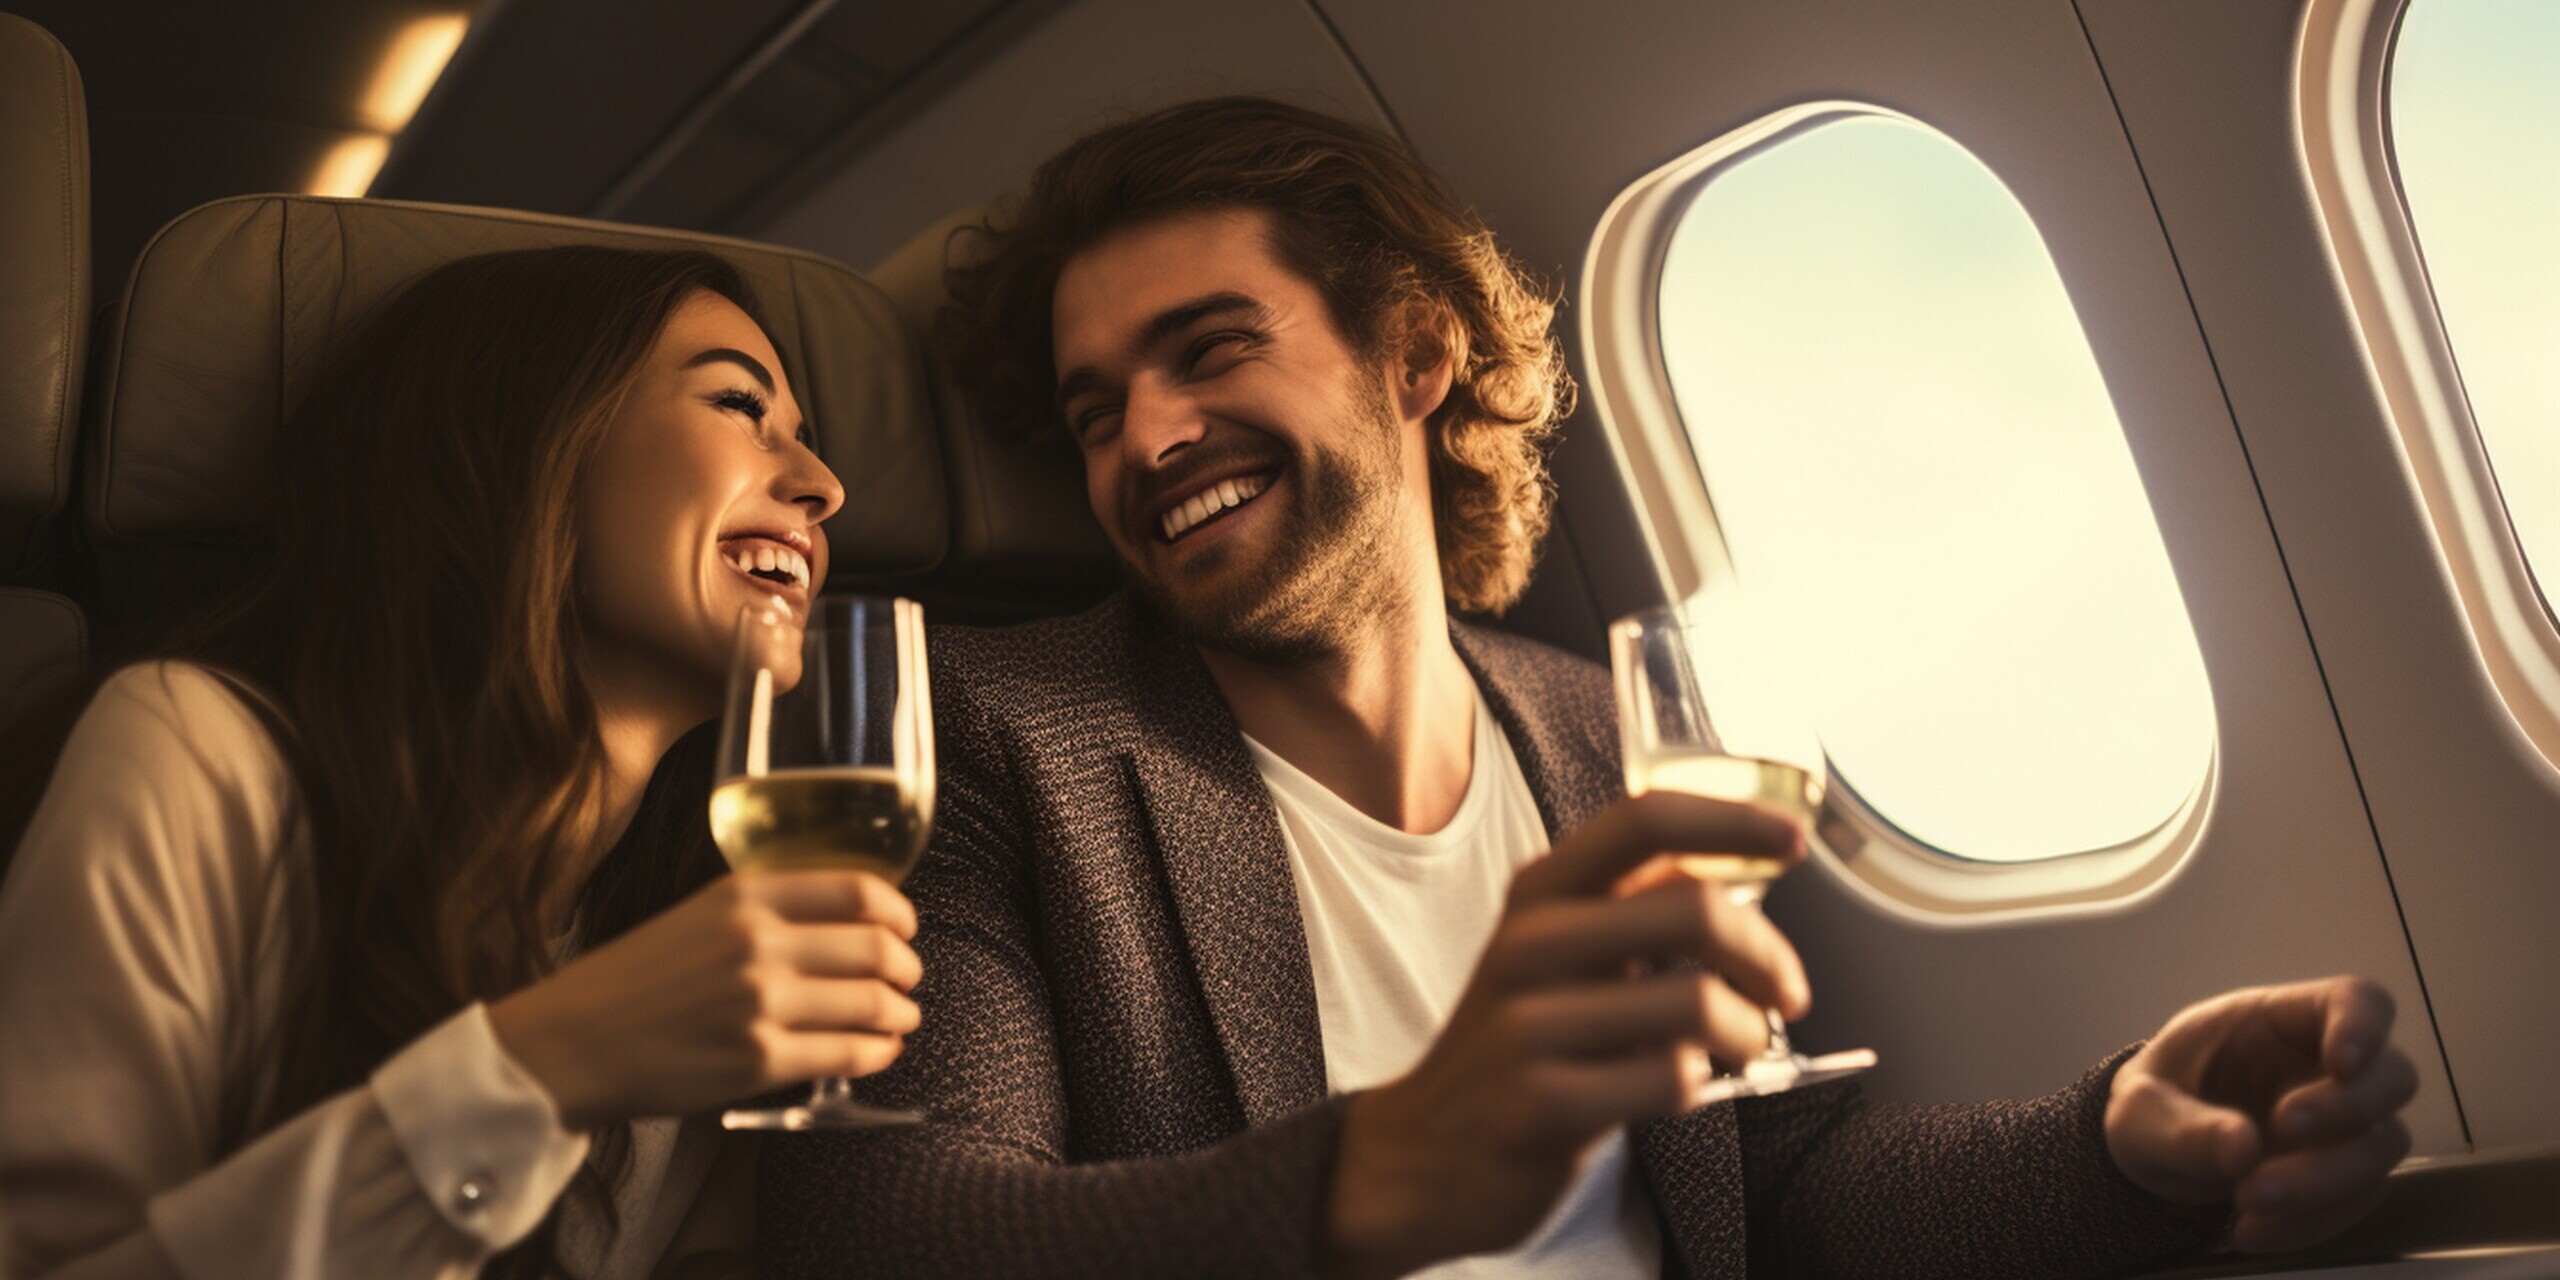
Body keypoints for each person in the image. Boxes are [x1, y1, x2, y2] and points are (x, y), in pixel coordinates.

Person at [759, 99, 2420, 1278]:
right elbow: (900, 1234)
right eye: (1095, 409)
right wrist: (1383, 1172)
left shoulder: (1593, 735)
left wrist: (2114, 1141)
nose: (1150, 438)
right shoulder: (981, 742)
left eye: (1208, 351)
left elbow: (1771, 1197)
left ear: (1415, 355)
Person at [0, 246, 924, 1280]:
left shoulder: (710, 903)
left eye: (808, 439)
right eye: (738, 405)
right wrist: (543, 1066)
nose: (826, 486)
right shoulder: (197, 753)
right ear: (531, 439)